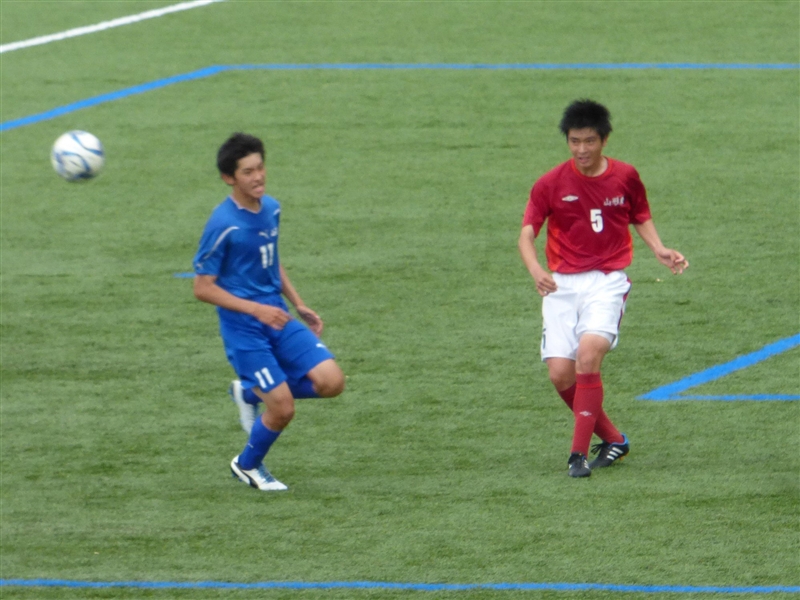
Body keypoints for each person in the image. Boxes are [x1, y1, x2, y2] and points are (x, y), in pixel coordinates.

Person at [518, 100, 688, 478]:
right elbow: (526, 234)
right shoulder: (550, 183)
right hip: (561, 285)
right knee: (560, 375)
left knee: (588, 355)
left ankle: (577, 456)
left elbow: (638, 214)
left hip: (607, 281)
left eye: (589, 141)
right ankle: (614, 439)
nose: (581, 149)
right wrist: (536, 270)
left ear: (604, 139)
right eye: (574, 141)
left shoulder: (625, 176)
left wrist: (659, 248)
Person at [193, 133, 345, 491]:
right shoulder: (223, 224)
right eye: (247, 172)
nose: (258, 176)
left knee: (332, 382)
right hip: (244, 328)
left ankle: (249, 392)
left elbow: (271, 261)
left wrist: (298, 302)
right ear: (229, 178)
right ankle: (247, 465)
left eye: (260, 167)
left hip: (278, 315)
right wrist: (255, 309)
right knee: (282, 408)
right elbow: (202, 287)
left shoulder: (271, 209)